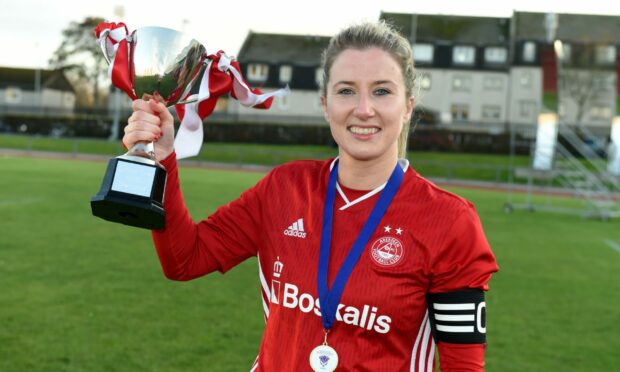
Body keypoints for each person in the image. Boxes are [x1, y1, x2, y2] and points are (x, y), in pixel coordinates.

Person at [122, 21, 498, 372]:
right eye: (346, 91)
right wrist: (164, 157)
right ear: (325, 105)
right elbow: (185, 260)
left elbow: (461, 365)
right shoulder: (284, 189)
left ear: (408, 107)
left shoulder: (450, 223)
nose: (363, 109)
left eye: (382, 91)